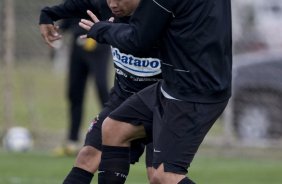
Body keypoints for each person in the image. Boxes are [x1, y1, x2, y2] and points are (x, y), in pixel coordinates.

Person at [79, 0, 233, 183]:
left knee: (164, 176)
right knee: (114, 128)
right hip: (178, 84)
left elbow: (138, 40)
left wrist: (102, 30)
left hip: (192, 93)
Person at [39, 0, 162, 183]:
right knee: (87, 156)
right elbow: (71, 7)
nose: (112, 4)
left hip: (161, 104)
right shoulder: (105, 6)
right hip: (122, 99)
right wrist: (47, 16)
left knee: (160, 177)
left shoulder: (162, 11)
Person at [54, 18, 111, 155]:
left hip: (99, 44)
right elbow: (69, 14)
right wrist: (58, 29)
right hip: (78, 45)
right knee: (74, 92)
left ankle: (111, 139)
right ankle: (72, 141)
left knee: (102, 89)